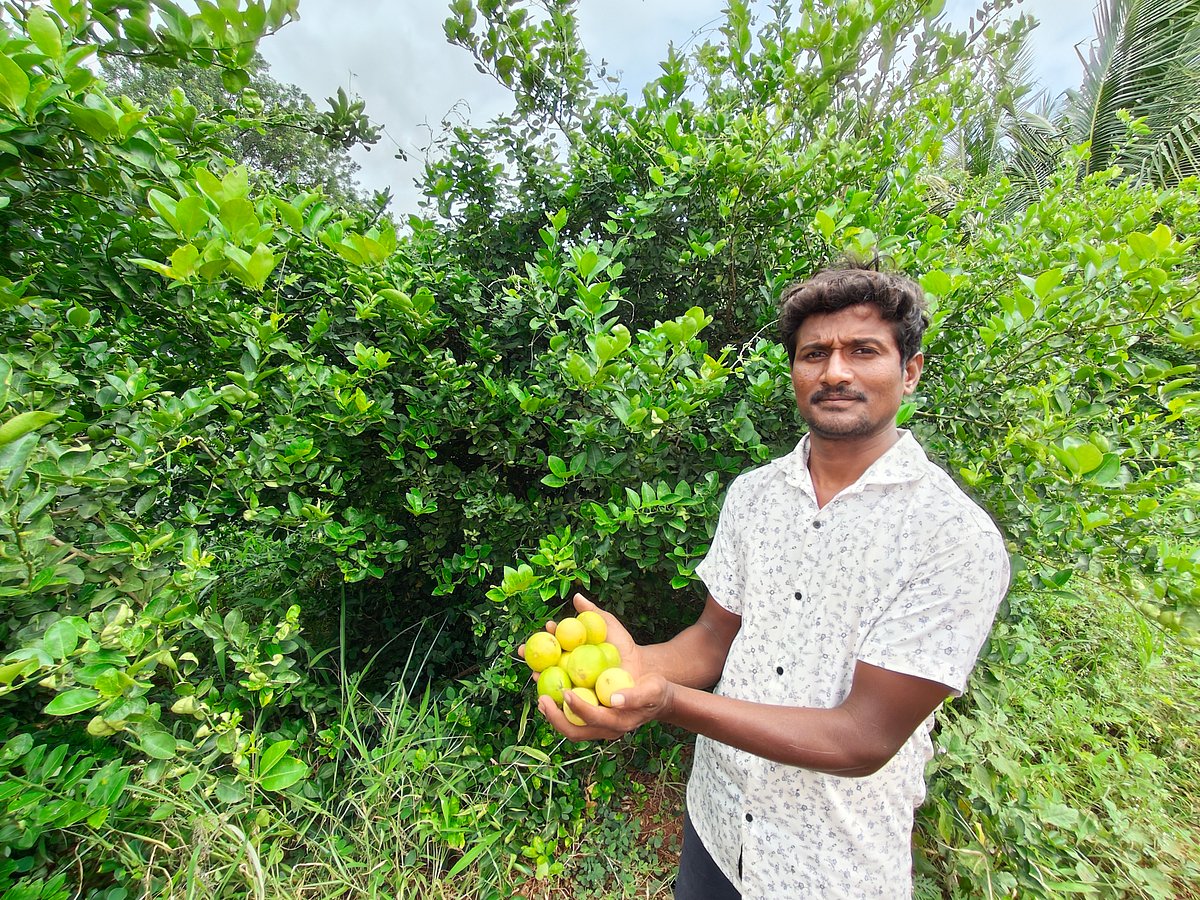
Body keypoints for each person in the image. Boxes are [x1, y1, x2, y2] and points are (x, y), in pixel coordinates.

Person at [524, 262, 1010, 899]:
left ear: (910, 371)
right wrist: (633, 663)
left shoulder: (953, 537)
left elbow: (862, 739)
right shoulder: (754, 496)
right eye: (815, 354)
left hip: (828, 867)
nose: (835, 372)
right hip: (716, 827)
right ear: (795, 372)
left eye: (864, 351)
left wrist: (668, 704)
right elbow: (712, 641)